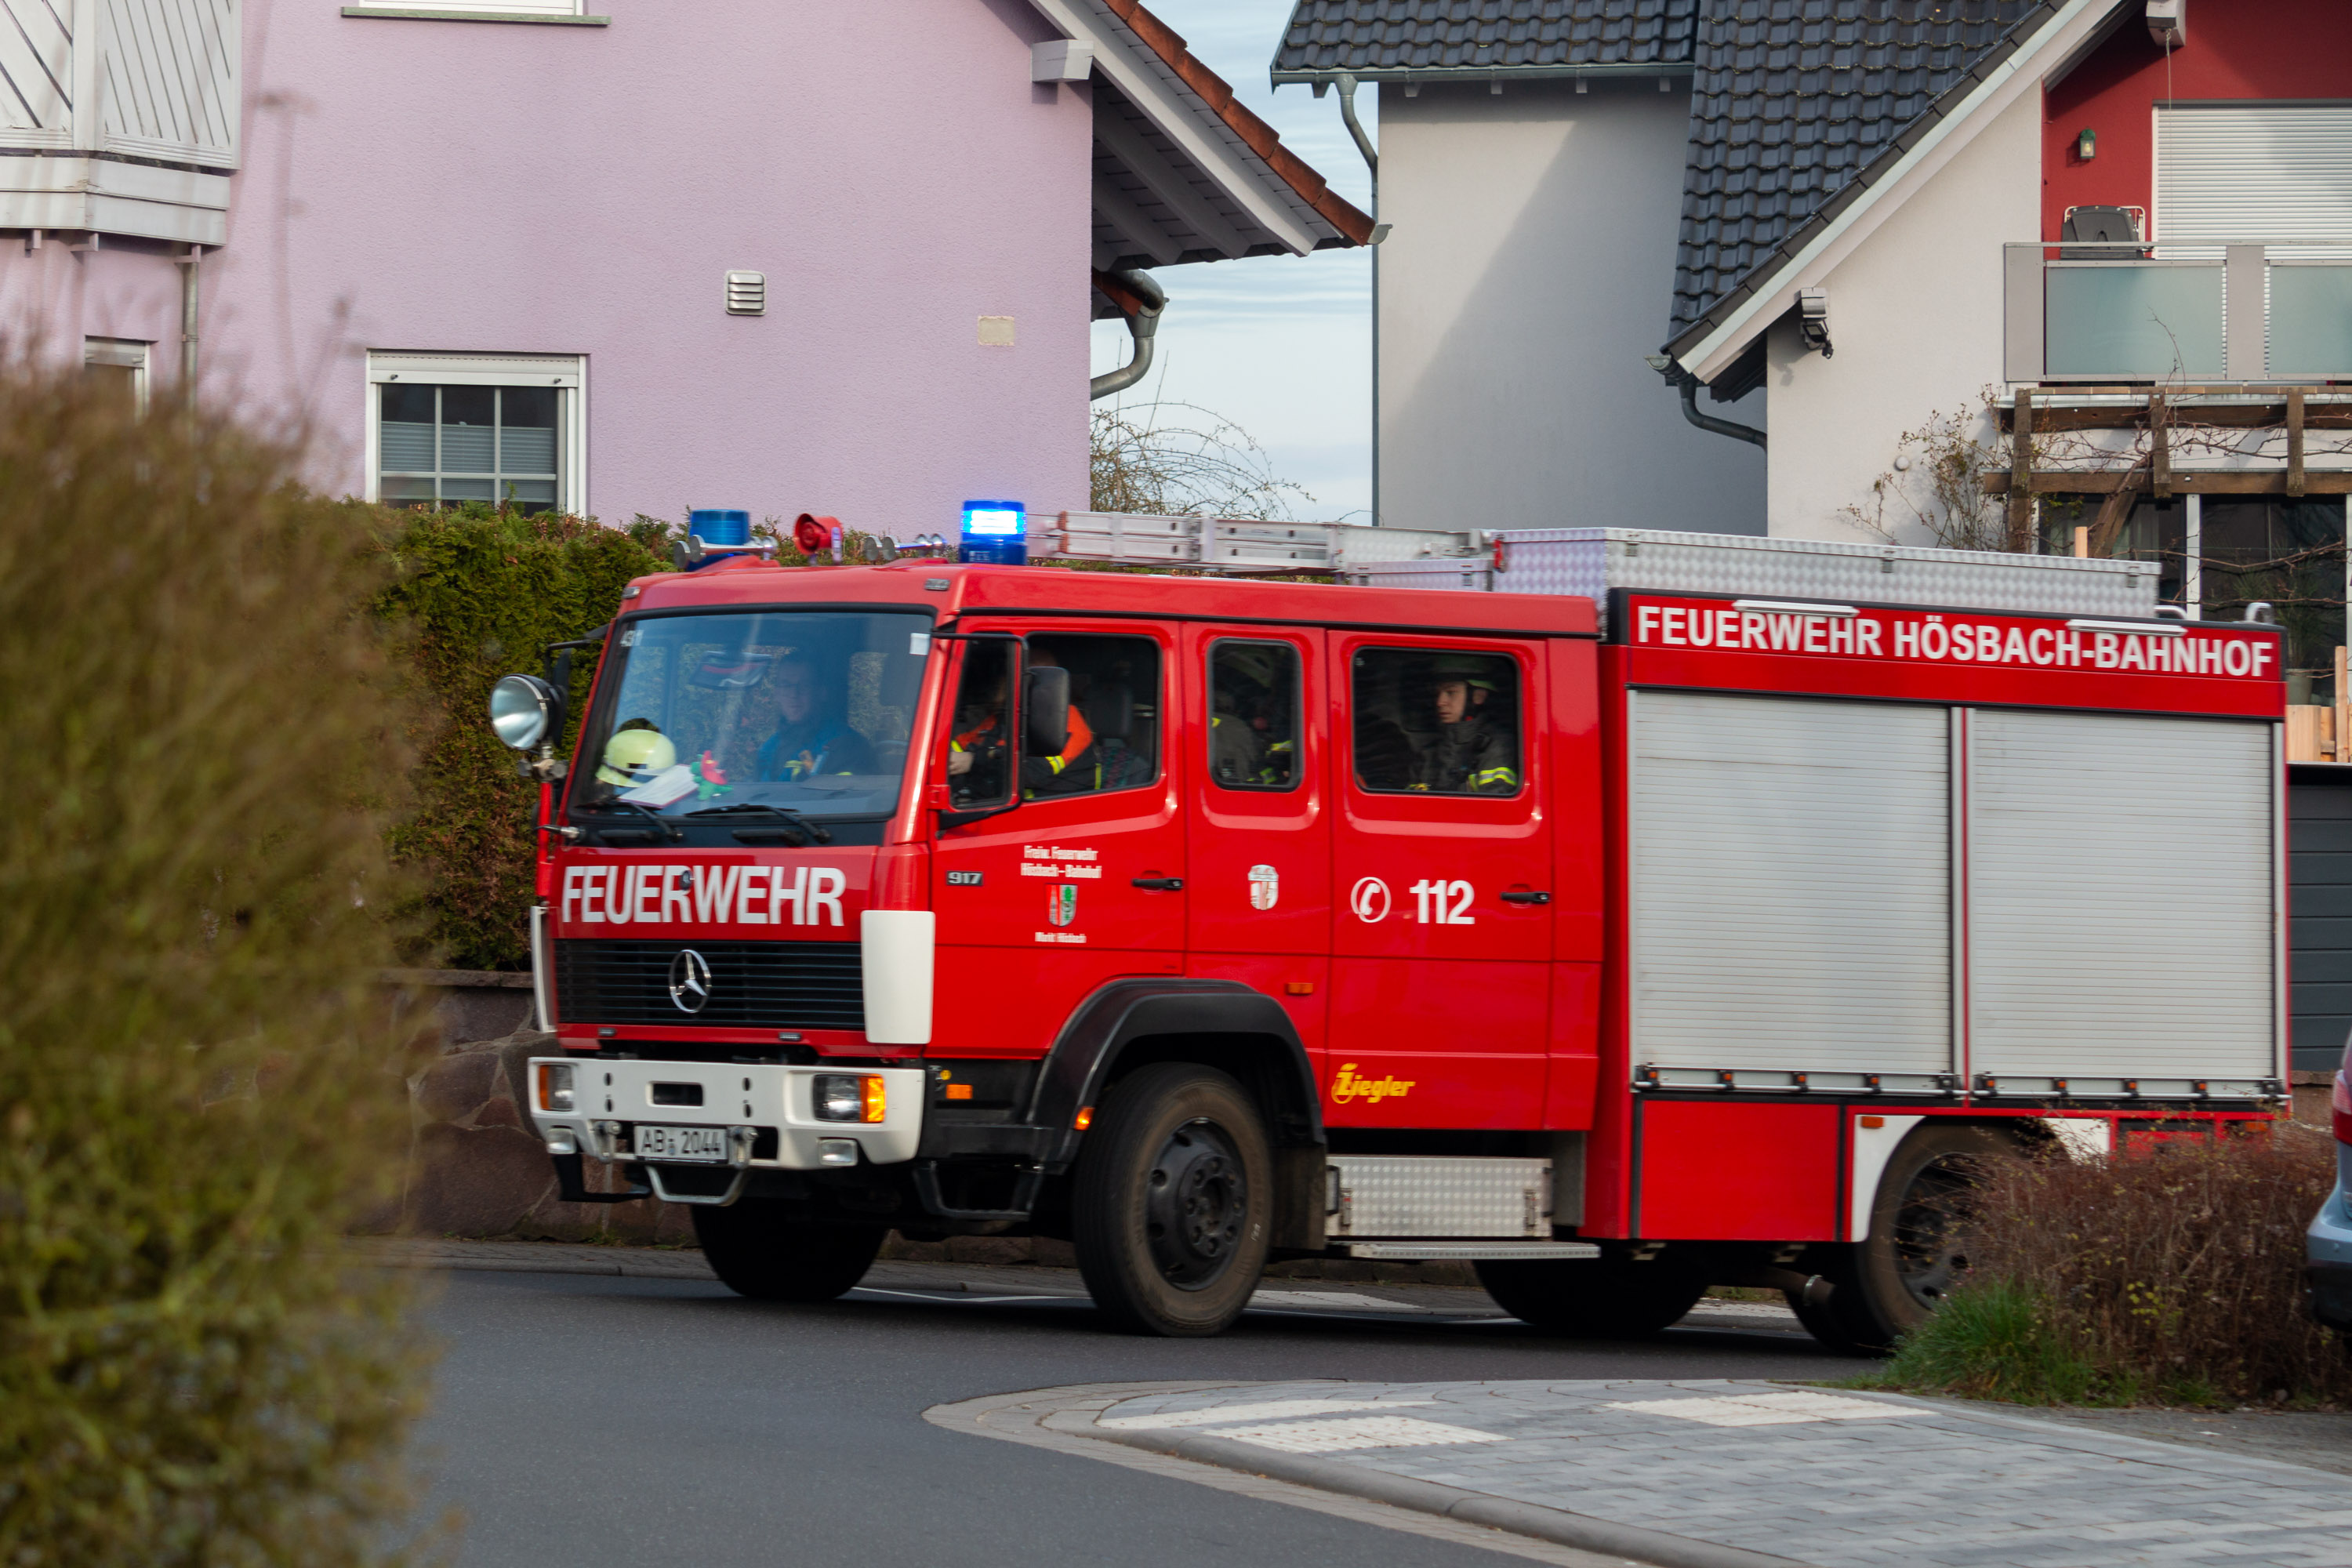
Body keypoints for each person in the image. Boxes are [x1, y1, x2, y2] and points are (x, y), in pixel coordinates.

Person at [754, 650, 875, 782]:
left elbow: (845, 799)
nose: (794, 694)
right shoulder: (768, 748)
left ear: (821, 692)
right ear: (776, 693)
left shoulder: (845, 745)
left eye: (804, 685)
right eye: (786, 685)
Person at [1412, 655, 1518, 795]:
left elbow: (1496, 805)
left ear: (1478, 696)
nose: (1440, 702)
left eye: (1451, 692)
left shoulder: (1497, 745)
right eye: (1437, 693)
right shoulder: (1431, 751)